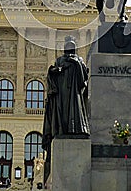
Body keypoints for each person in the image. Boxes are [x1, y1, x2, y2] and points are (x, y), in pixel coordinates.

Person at [42, 36, 90, 185]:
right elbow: (53, 75)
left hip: (73, 94)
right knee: (63, 113)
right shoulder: (60, 60)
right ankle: (64, 129)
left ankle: (75, 130)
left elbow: (84, 80)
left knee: (74, 112)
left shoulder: (78, 61)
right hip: (62, 94)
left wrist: (74, 65)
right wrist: (55, 71)